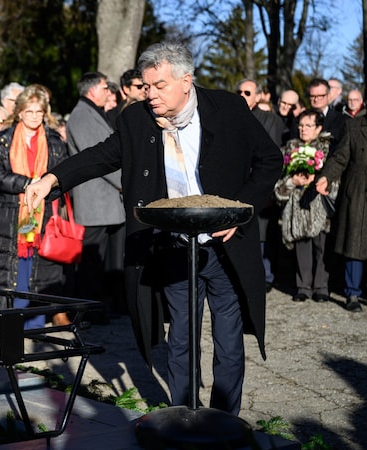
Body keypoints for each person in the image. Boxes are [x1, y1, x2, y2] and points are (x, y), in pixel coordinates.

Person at [24, 42, 282, 414]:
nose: (151, 95)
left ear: (186, 81)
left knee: (228, 341)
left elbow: (270, 161)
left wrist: (239, 210)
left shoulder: (227, 108)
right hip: (174, 246)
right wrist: (51, 179)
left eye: (159, 85)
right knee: (181, 337)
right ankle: (183, 414)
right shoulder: (136, 119)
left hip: (226, 245)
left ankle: (225, 419)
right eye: (146, 86)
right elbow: (101, 156)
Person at [0, 84, 69, 328]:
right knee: (10, 270)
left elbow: (64, 175)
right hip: (7, 215)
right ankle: (10, 323)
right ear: (19, 112)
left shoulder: (54, 141)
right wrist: (28, 183)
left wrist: (45, 187)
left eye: (38, 112)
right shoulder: (4, 139)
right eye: (29, 112)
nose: (34, 117)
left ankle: (35, 323)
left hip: (42, 215)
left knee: (37, 271)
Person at [65, 72, 125, 319]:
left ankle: (109, 305)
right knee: (92, 261)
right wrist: (125, 183)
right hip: (96, 201)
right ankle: (92, 310)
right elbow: (100, 158)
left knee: (109, 260)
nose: (108, 92)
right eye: (104, 87)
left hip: (106, 201)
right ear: (91, 91)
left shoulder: (92, 112)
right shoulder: (82, 116)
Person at [274, 110, 337, 303]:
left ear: (319, 128)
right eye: (300, 125)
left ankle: (321, 287)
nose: (303, 129)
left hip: (319, 205)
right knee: (302, 248)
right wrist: (292, 181)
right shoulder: (290, 149)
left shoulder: (328, 149)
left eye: (308, 125)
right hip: (297, 209)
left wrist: (318, 181)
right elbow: (279, 184)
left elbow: (335, 176)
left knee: (321, 248)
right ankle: (303, 286)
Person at [315, 111, 367, 312]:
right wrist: (326, 177)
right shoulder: (353, 127)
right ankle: (352, 293)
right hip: (358, 194)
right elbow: (340, 158)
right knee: (354, 245)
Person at [236, 78, 282, 293]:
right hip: (236, 184)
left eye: (247, 92)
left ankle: (265, 275)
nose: (242, 96)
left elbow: (270, 156)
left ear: (257, 96)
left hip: (260, 184)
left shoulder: (269, 119)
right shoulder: (230, 117)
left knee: (262, 233)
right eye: (239, 92)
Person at [308, 78, 346, 145]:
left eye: (320, 96)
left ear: (328, 96)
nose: (316, 99)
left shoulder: (342, 119)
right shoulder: (300, 119)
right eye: (313, 96)